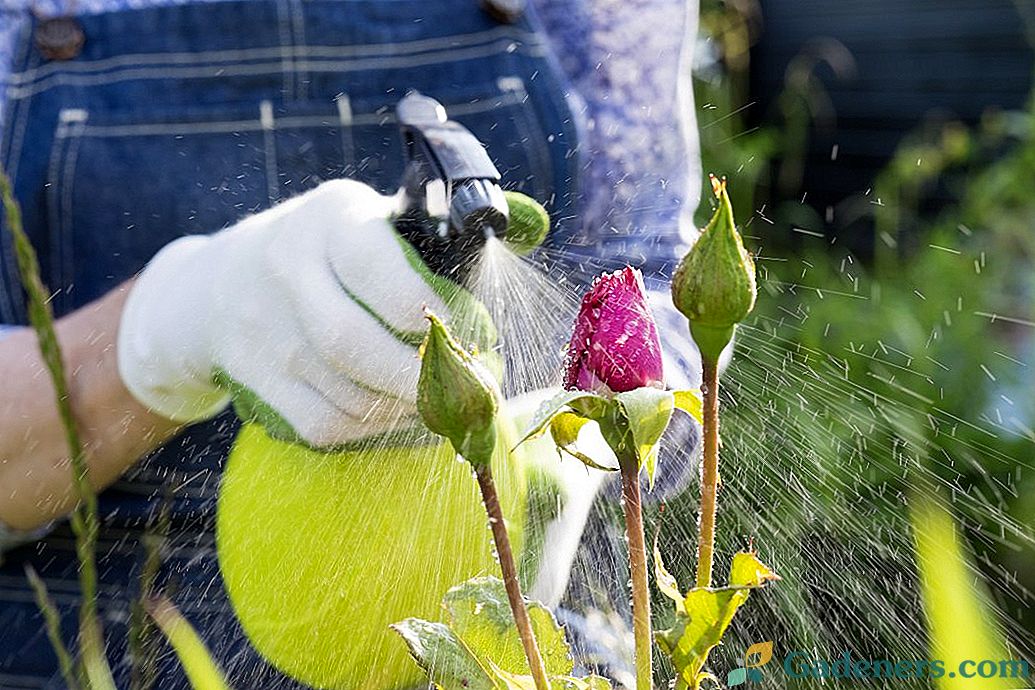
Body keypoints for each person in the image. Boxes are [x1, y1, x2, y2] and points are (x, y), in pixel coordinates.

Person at [0, 0, 702, 686]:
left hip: (506, 643)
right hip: (88, 643)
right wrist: (160, 331)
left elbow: (650, 282)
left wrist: (581, 452)